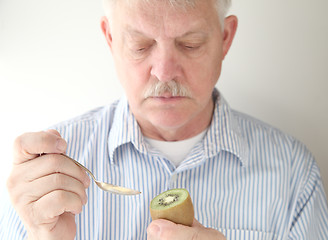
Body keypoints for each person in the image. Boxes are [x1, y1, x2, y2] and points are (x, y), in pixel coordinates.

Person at [1, 0, 328, 239]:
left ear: (225, 39)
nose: (165, 71)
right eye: (141, 45)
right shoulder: (48, 173)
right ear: (111, 39)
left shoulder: (293, 173)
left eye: (190, 44)